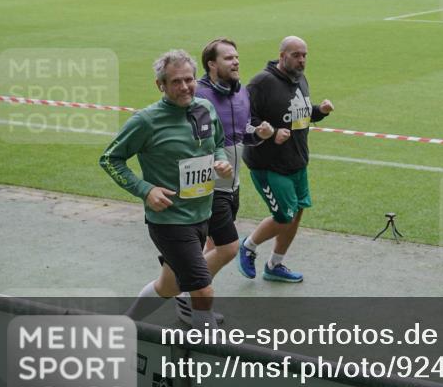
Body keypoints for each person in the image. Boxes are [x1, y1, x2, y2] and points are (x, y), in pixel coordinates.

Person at [100, 50, 232, 329]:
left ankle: (124, 325)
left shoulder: (204, 108)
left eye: (189, 79)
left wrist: (220, 159)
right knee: (203, 290)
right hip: (170, 220)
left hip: (201, 214)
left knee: (168, 286)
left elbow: (218, 141)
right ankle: (203, 348)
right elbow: (110, 158)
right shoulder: (145, 121)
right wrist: (145, 189)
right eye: (176, 82)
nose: (185, 86)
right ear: (160, 85)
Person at [168, 38, 274, 325]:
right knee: (227, 248)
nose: (236, 62)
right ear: (212, 64)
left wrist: (260, 134)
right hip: (207, 188)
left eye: (237, 57)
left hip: (233, 184)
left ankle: (195, 302)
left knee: (209, 247)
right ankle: (182, 291)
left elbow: (243, 132)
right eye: (228, 58)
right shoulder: (197, 94)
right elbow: (177, 135)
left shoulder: (241, 94)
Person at [237, 36, 333, 283]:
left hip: (297, 162)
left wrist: (318, 112)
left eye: (304, 55)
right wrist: (271, 135)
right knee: (284, 217)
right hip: (269, 165)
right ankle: (248, 246)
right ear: (282, 56)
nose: (301, 60)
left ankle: (275, 265)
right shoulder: (262, 83)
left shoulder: (299, 79)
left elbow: (299, 114)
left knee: (297, 213)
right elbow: (244, 121)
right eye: (296, 55)